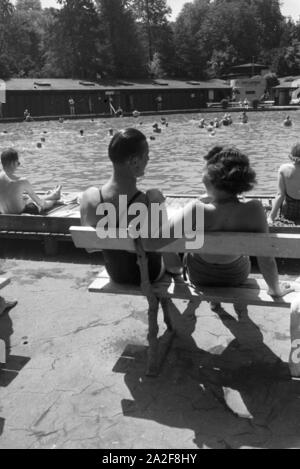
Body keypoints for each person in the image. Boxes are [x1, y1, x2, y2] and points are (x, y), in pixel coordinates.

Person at [144, 146, 291, 298]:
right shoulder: (255, 209)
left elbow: (149, 243)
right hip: (236, 275)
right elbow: (266, 258)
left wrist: (157, 205)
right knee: (241, 256)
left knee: (190, 244)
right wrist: (275, 290)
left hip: (200, 276)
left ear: (210, 178)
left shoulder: (196, 209)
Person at [80, 128, 181, 285]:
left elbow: (90, 248)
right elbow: (173, 265)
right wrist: (158, 204)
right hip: (149, 274)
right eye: (146, 155)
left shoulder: (89, 197)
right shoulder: (149, 201)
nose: (148, 159)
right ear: (134, 161)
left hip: (116, 275)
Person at [0, 148, 62, 215]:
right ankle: (54, 198)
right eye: (18, 163)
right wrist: (51, 202)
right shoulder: (21, 181)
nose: (18, 166)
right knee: (37, 203)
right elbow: (40, 203)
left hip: (4, 213)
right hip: (22, 213)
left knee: (26, 198)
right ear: (13, 163)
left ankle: (52, 195)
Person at [268, 143, 300, 224]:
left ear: (291, 156)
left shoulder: (284, 169)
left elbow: (280, 195)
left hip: (289, 213)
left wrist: (271, 217)